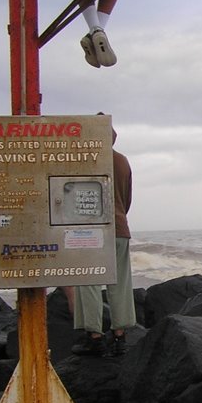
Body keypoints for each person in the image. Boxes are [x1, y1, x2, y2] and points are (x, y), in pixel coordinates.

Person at [72, 129, 135, 356]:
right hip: (119, 227)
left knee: (88, 280)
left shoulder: (86, 160)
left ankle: (95, 336)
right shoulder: (122, 161)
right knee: (120, 282)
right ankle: (120, 336)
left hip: (90, 229)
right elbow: (126, 199)